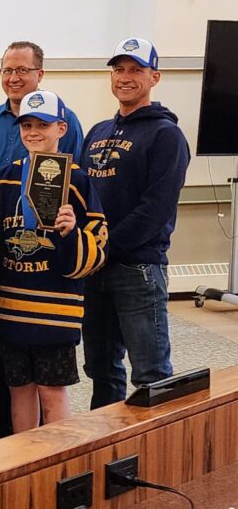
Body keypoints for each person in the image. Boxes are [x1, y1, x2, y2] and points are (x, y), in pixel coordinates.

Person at [0, 90, 107, 433]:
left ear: (62, 127)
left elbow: (99, 248)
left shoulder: (79, 180)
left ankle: (59, 464)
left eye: (43, 124)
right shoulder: (4, 177)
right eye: (27, 124)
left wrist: (70, 233)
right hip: (11, 307)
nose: (34, 131)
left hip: (56, 309)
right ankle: (22, 465)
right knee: (19, 393)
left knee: (53, 395)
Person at [80, 37, 190, 409]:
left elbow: (155, 210)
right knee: (101, 368)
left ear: (154, 77)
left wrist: (103, 247)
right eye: (119, 70)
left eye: (136, 70)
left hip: (137, 269)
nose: (125, 77)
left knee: (151, 374)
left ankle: (158, 459)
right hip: (95, 270)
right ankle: (105, 450)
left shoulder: (166, 135)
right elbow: (82, 197)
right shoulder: (96, 133)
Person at [0, 42, 84, 189]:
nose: (13, 78)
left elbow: (75, 178)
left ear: (40, 75)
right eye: (7, 71)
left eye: (22, 70)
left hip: (37, 210)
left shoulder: (63, 120)